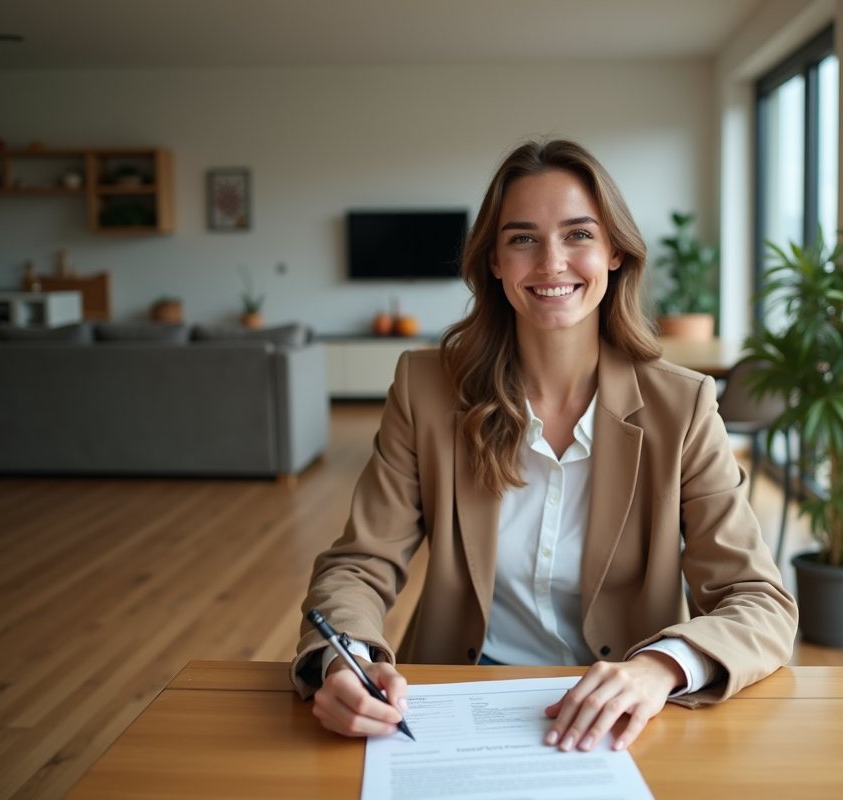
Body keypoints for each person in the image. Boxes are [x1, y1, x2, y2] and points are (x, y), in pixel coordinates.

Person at [291, 137, 798, 753]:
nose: (551, 262)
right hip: (452, 705)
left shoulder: (682, 406)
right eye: (522, 238)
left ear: (614, 252)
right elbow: (359, 564)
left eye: (579, 234)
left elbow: (758, 600)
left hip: (622, 719)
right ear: (494, 262)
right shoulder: (425, 390)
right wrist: (343, 659)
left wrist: (658, 668)